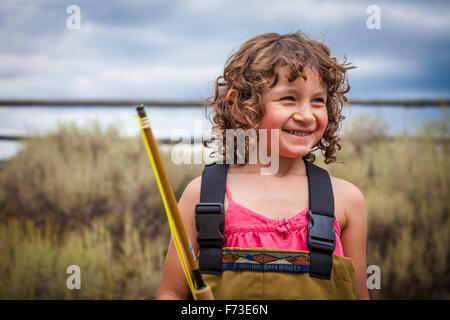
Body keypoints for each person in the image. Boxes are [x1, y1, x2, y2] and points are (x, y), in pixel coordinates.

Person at [156, 31, 369, 300]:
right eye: (288, 98)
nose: (306, 115)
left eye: (318, 100)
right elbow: (171, 294)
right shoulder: (202, 195)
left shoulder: (347, 200)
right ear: (239, 106)